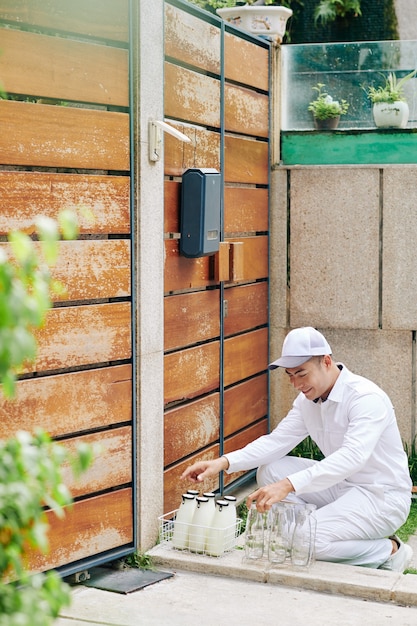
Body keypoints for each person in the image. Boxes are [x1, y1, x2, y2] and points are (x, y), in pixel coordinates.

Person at [181, 326, 413, 571]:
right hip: (342, 486)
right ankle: (312, 528)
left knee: (303, 539)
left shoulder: (365, 398)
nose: (295, 383)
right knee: (271, 470)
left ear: (326, 361)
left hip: (381, 497)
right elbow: (276, 442)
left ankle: (390, 551)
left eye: (301, 374)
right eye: (290, 375)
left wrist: (289, 484)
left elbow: (352, 457)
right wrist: (223, 462)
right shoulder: (307, 401)